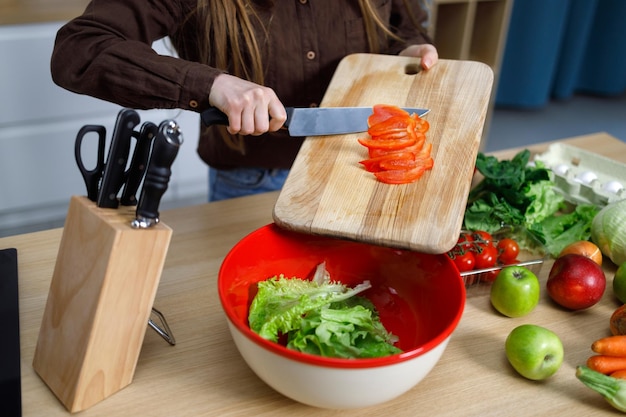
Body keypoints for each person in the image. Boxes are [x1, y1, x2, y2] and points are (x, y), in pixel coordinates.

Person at [51, 0, 439, 201]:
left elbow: (401, 25)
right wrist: (210, 84)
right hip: (251, 184)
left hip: (358, 167)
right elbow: (80, 49)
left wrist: (404, 51)